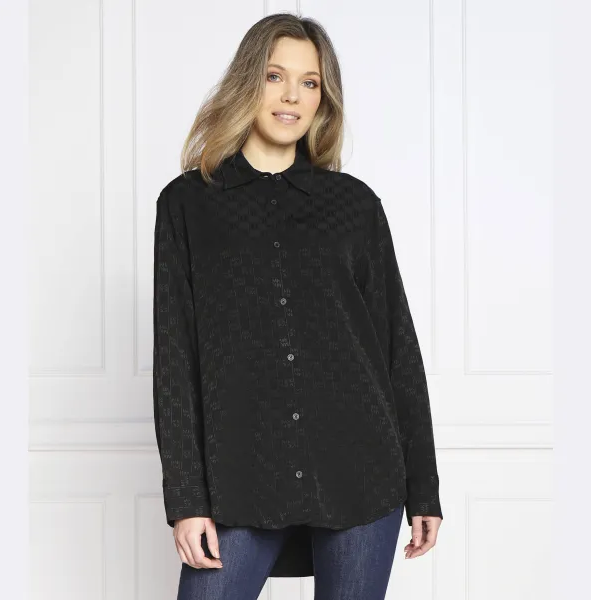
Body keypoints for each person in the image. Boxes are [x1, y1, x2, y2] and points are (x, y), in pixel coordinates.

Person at [152, 12, 443, 600]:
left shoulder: (354, 206)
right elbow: (174, 361)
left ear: (322, 98)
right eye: (275, 76)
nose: (292, 96)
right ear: (247, 83)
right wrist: (185, 500)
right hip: (240, 476)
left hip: (361, 472)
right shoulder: (188, 204)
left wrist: (424, 486)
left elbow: (397, 349)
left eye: (309, 82)